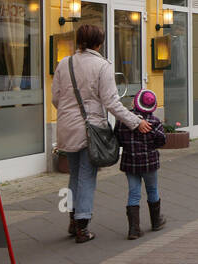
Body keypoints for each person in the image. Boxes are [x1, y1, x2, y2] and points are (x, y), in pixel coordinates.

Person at [52, 23, 149, 243]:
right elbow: (111, 103)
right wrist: (136, 122)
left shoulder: (63, 63)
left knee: (74, 174)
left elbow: (56, 98)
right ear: (99, 43)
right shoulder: (102, 66)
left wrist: (70, 115)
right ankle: (83, 226)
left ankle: (73, 220)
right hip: (90, 129)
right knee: (87, 176)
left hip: (66, 127)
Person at [115, 89, 167, 239]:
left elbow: (117, 139)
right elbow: (162, 140)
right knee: (152, 190)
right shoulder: (155, 122)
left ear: (135, 103)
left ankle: (134, 229)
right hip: (149, 163)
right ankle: (156, 222)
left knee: (134, 193)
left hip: (130, 163)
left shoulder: (123, 121)